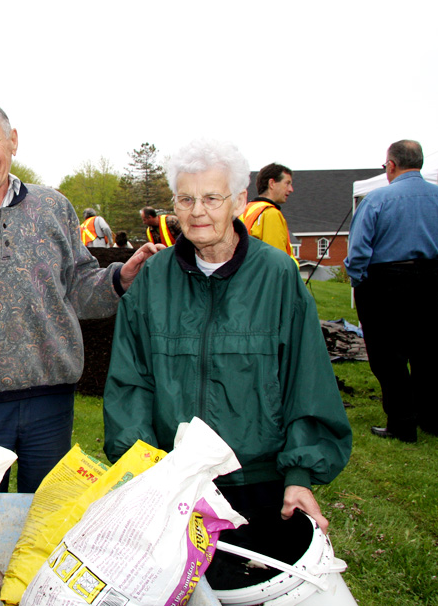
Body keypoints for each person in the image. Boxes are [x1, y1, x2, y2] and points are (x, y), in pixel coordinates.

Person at [0, 97, 158, 493]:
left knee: (44, 523)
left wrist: (119, 279)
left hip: (50, 405)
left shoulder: (54, 208)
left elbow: (76, 287)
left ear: (13, 142)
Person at [104, 137, 352, 535]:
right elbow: (130, 382)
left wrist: (300, 474)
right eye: (185, 199)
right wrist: (141, 466)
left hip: (257, 483)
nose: (197, 212)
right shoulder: (154, 278)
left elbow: (306, 380)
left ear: (238, 202)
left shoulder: (277, 275)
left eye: (211, 198)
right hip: (171, 481)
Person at [345, 139, 438, 443]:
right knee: (429, 354)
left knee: (388, 356)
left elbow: (359, 249)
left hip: (384, 281)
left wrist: (359, 279)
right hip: (427, 280)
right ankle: (431, 420)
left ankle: (402, 423)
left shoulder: (377, 200)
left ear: (391, 165)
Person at [239, 162, 298, 263]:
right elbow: (277, 261)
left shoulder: (247, 210)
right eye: (287, 183)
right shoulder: (270, 213)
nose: (291, 189)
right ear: (272, 183)